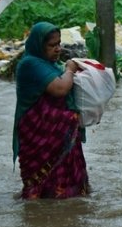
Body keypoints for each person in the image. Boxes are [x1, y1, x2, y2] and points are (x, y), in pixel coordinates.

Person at [13, 21, 90, 199]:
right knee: (40, 191)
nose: (58, 49)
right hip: (39, 135)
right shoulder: (30, 64)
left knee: (69, 194)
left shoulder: (50, 65)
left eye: (59, 44)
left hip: (59, 136)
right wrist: (70, 69)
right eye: (51, 45)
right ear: (39, 46)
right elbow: (60, 89)